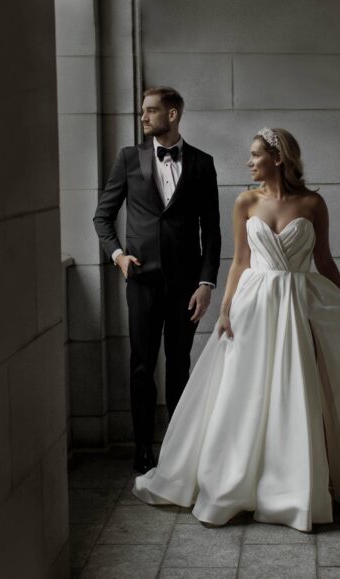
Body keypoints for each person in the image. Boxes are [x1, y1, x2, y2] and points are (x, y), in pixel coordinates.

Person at [132, 127, 340, 531]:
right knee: (246, 393)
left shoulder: (313, 203)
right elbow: (241, 262)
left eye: (255, 154)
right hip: (256, 303)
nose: (248, 162)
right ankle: (242, 482)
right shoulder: (246, 201)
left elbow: (326, 262)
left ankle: (303, 484)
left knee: (300, 388)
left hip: (300, 302)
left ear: (278, 158)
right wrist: (225, 310)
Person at [93, 87, 221, 474]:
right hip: (142, 280)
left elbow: (211, 231)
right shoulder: (129, 158)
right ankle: (143, 448)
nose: (143, 117)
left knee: (179, 364)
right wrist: (118, 256)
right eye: (143, 111)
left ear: (173, 114)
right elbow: (102, 216)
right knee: (141, 365)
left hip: (185, 286)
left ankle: (178, 449)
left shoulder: (202, 163)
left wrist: (206, 284)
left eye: (151, 111)